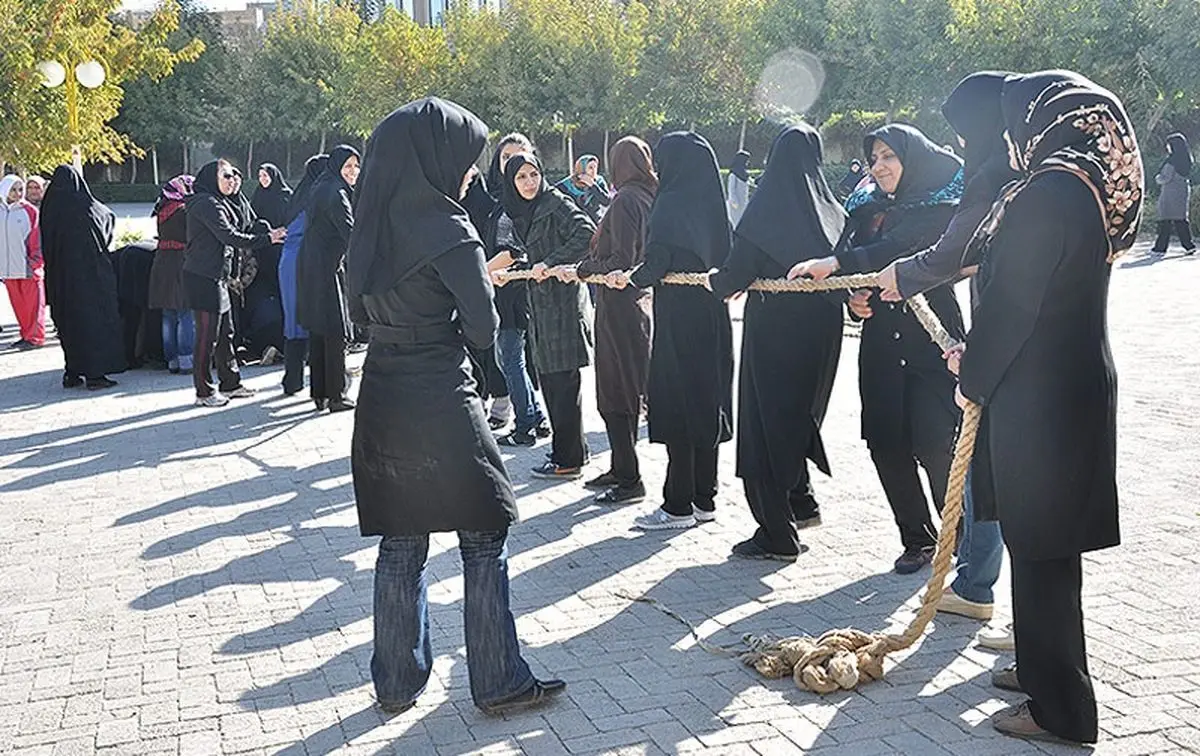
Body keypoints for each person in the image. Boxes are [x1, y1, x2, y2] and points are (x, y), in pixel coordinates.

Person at [347, 96, 565, 717]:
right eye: (467, 158)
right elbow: (481, 327)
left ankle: (396, 681)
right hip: (442, 391)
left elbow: (358, 310)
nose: (472, 171)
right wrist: (477, 277)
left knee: (401, 541)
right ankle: (497, 679)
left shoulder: (373, 221)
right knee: (483, 532)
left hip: (384, 389)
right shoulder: (449, 228)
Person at [955, 70, 1141, 746]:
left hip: (1044, 399)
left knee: (1042, 551)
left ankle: (1061, 708)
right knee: (1041, 546)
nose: (1008, 137)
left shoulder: (1049, 193)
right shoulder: (1079, 189)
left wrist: (971, 376)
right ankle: (1040, 666)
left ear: (1040, 121)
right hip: (1057, 391)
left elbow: (1013, 308)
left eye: (1013, 123)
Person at [868, 73, 1018, 636]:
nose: (958, 145)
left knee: (990, 471)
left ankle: (1001, 602)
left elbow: (951, 251)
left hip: (1001, 351)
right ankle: (976, 586)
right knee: (981, 470)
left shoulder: (996, 180)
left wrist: (900, 276)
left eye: (963, 132)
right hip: (989, 344)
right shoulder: (1028, 177)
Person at [792, 124, 966, 574]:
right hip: (882, 349)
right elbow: (858, 276)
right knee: (886, 445)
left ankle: (961, 541)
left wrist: (835, 264)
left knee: (935, 444)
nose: (880, 166)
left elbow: (897, 250)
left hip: (932, 346)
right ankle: (917, 539)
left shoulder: (940, 209)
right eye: (874, 159)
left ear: (914, 158)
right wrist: (853, 300)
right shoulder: (866, 209)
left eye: (890, 156)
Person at [707, 125, 845, 562]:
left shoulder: (766, 210)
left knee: (765, 426)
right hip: (824, 330)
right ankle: (802, 503)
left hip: (775, 332)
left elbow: (732, 277)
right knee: (800, 416)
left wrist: (716, 280)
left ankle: (776, 534)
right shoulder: (834, 212)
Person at [622, 132, 733, 530]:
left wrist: (628, 279)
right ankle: (705, 498)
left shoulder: (669, 203)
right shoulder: (713, 205)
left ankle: (677, 505)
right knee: (707, 404)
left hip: (678, 322)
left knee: (679, 408)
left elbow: (655, 264)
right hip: (713, 316)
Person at [501, 153, 596, 479]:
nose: (529, 183)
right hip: (542, 307)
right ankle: (570, 452)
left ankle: (568, 460)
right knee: (553, 383)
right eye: (521, 177)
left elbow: (587, 233)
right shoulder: (524, 211)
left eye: (533, 175)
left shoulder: (555, 201)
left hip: (563, 308)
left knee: (562, 384)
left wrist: (552, 263)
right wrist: (525, 267)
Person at [572, 137, 657, 505]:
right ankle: (621, 466)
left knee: (615, 393)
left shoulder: (624, 201)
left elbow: (621, 259)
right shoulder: (649, 197)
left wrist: (585, 269)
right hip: (636, 304)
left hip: (619, 306)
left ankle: (629, 477)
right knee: (621, 390)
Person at [183, 159, 282, 407]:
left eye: (234, 175)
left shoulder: (221, 202)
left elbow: (243, 225)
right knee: (207, 336)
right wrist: (268, 238)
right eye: (226, 176)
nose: (231, 180)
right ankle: (203, 391)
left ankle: (230, 383)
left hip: (219, 277)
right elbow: (230, 236)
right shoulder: (205, 204)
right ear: (211, 178)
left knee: (226, 333)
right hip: (203, 277)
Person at [475, 133, 549, 447]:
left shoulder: (511, 207)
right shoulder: (503, 201)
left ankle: (525, 425)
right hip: (507, 288)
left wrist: (479, 274)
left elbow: (512, 250)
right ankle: (535, 416)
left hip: (509, 290)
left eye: (530, 172)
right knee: (510, 359)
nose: (525, 178)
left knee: (510, 359)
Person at [39, 165, 124, 389]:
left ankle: (72, 372)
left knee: (68, 326)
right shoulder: (86, 208)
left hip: (60, 281)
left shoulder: (49, 211)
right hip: (90, 280)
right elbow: (107, 222)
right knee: (92, 324)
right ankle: (95, 374)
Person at [298, 145, 360, 413]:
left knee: (319, 331)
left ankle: (320, 393)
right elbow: (351, 233)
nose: (354, 172)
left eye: (356, 166)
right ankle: (335, 395)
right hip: (325, 270)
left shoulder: (323, 186)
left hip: (313, 266)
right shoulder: (335, 193)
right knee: (334, 332)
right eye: (348, 167)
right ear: (337, 167)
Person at [278, 154, 327, 396]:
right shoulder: (317, 198)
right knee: (307, 319)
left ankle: (293, 380)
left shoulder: (300, 195)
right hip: (303, 262)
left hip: (289, 261)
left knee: (293, 321)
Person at [148, 176, 196, 374]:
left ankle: (172, 361)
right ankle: (186, 360)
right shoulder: (184, 211)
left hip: (162, 262)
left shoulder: (161, 208)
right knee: (185, 311)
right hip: (180, 262)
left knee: (168, 314)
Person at [1, 175, 45, 350]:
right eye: (14, 189)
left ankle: (35, 337)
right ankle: (25, 335)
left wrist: (35, 263)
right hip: (7, 268)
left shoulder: (30, 211)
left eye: (21, 189)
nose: (18, 193)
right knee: (19, 306)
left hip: (27, 268)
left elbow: (37, 240)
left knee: (33, 306)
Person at [1151, 133, 1194, 255]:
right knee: (1181, 220)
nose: (1167, 147)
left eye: (1169, 145)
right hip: (1182, 191)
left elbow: (1165, 178)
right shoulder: (1187, 159)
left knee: (1165, 220)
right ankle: (1188, 245)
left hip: (1169, 193)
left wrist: (1157, 178)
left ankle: (1160, 247)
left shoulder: (1171, 161)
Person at [556, 154, 611, 224]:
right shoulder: (568, 184)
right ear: (582, 168)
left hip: (596, 222)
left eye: (595, 167)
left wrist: (593, 186)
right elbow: (553, 195)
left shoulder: (599, 181)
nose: (594, 171)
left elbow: (606, 201)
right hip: (575, 223)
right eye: (590, 168)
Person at [725, 150, 752, 225]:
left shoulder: (744, 174)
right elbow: (731, 190)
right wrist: (734, 202)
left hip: (744, 203)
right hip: (735, 205)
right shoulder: (733, 175)